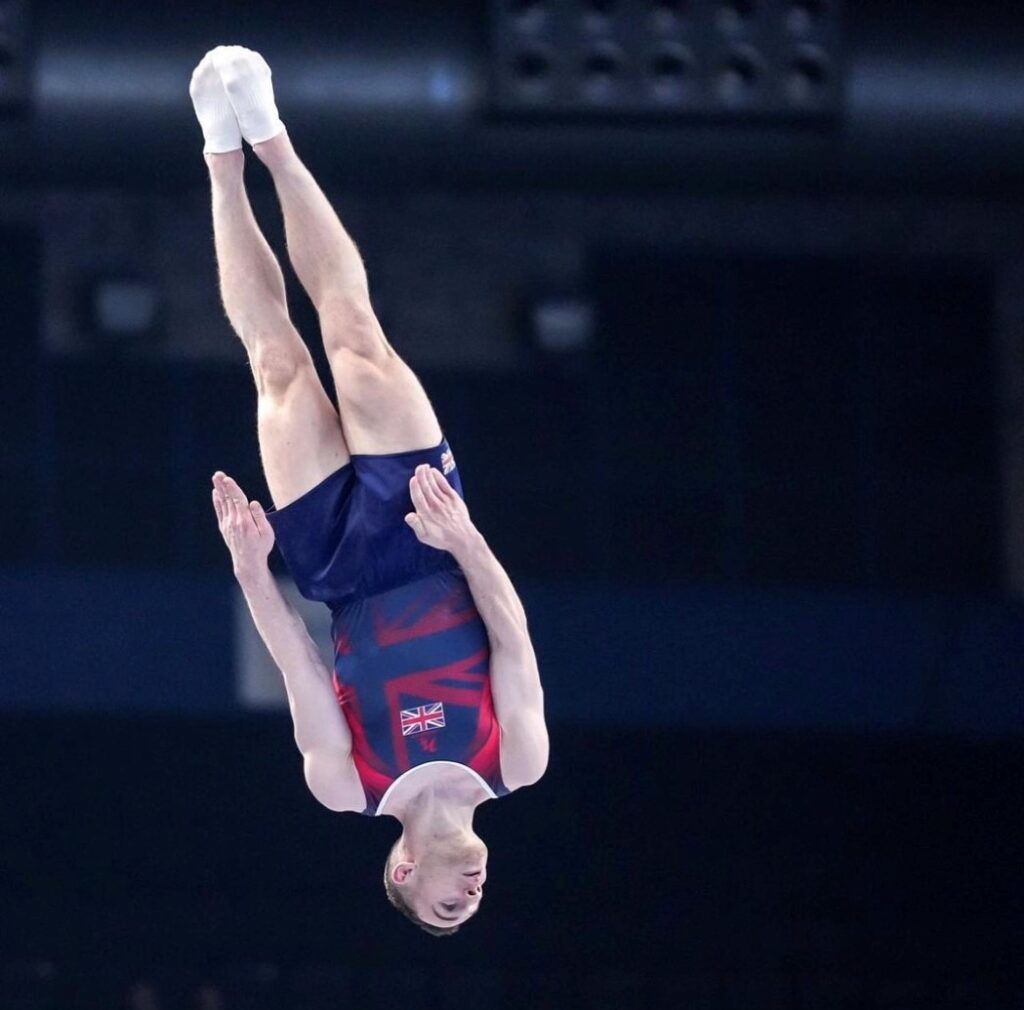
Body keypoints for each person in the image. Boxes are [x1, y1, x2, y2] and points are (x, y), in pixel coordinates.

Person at [191, 46, 548, 935]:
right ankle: (272, 139)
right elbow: (510, 629)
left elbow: (299, 667)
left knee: (278, 364)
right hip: (430, 540)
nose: (467, 900)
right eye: (471, 907)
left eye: (441, 908)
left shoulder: (347, 786)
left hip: (334, 567)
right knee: (355, 338)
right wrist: (464, 538)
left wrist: (250, 569)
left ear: (402, 868)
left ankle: (222, 160)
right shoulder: (519, 761)